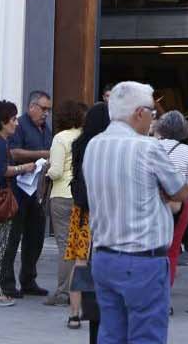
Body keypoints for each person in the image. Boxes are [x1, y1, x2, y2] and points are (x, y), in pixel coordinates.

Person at [84, 80, 188, 344]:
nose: (153, 119)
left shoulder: (94, 145)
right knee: (146, 335)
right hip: (142, 260)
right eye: (152, 113)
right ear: (139, 113)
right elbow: (181, 191)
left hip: (104, 257)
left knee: (111, 332)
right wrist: (162, 192)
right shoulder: (147, 147)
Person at [0, 90, 55, 299]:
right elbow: (13, 152)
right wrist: (42, 154)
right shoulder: (19, 125)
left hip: (38, 190)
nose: (46, 113)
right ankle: (7, 283)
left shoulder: (46, 129)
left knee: (36, 237)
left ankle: (28, 280)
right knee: (13, 237)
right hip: (18, 189)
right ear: (32, 107)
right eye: (43, 109)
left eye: (48, 110)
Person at [0, 99, 31, 308]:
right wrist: (23, 168)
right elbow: (0, 172)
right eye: (13, 119)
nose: (16, 123)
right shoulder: (0, 143)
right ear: (3, 122)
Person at [68, 102, 111, 334]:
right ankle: (101, 309)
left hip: (81, 210)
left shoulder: (78, 144)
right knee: (103, 259)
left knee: (80, 261)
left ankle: (74, 312)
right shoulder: (106, 147)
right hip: (103, 209)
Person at [47, 98, 89, 306]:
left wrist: (45, 169)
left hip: (62, 195)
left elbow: (56, 172)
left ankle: (63, 292)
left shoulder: (60, 138)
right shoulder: (86, 137)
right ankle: (80, 290)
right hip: (81, 195)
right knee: (80, 246)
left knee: (65, 246)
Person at [154, 111, 188, 286]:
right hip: (180, 202)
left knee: (154, 247)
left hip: (155, 200)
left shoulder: (152, 146)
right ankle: (166, 289)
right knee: (173, 249)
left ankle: (154, 286)